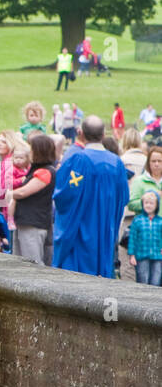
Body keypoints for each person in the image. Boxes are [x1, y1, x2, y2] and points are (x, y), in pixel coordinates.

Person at [52, 116, 130, 278]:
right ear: (103, 135)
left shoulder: (77, 160)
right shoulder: (116, 163)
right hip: (104, 231)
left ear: (81, 133)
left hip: (79, 233)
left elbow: (63, 196)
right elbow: (123, 198)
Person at [7, 133, 56, 264]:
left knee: (32, 262)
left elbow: (24, 192)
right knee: (21, 261)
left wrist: (10, 194)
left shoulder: (45, 172)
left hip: (33, 224)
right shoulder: (38, 170)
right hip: (26, 221)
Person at [127, 189, 162, 286]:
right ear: (142, 204)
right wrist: (132, 255)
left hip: (158, 257)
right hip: (141, 256)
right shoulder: (137, 220)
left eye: (151, 203)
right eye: (146, 203)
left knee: (156, 281)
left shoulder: (160, 221)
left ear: (156, 205)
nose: (148, 205)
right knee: (143, 280)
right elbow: (132, 239)